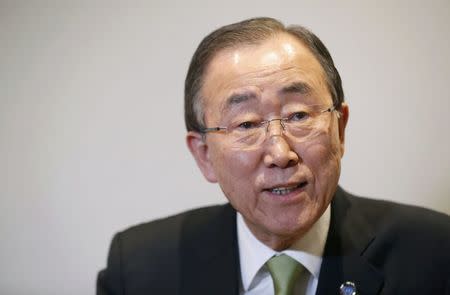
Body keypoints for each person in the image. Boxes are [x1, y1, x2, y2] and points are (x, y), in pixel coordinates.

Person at [97, 17, 450, 295]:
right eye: (247, 123)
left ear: (339, 129)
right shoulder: (138, 269)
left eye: (299, 116)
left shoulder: (436, 255)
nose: (281, 154)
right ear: (204, 155)